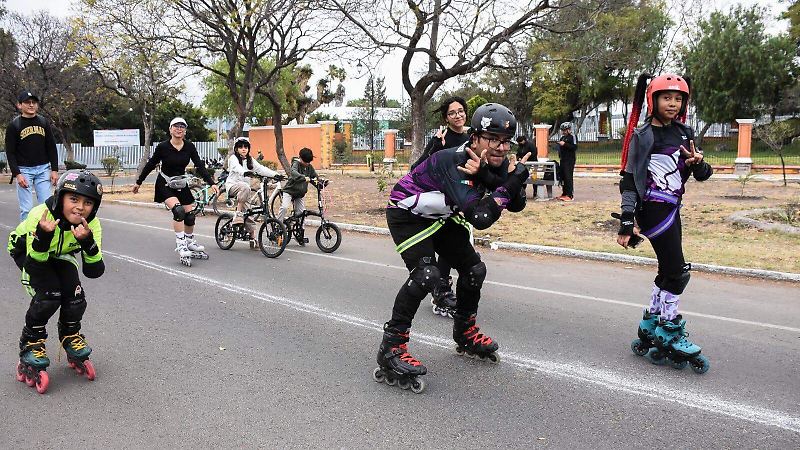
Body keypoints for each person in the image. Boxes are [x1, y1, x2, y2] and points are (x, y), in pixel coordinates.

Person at [372, 103, 530, 392]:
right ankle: (391, 348)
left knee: (474, 270)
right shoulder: (454, 161)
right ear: (475, 137)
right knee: (428, 276)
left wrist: (503, 179)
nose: (500, 147)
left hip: (442, 215)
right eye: (492, 139)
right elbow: (481, 218)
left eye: (506, 141)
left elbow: (517, 204)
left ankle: (465, 331)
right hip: (408, 215)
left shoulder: (486, 162)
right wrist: (512, 181)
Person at [617, 73, 713, 373]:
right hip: (653, 211)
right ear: (653, 100)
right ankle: (669, 329)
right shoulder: (643, 135)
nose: (672, 103)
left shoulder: (685, 133)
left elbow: (703, 175)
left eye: (678, 98)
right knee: (677, 272)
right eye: (666, 97)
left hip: (673, 208)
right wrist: (626, 219)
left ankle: (651, 322)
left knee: (668, 271)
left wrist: (698, 163)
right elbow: (629, 180)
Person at [8, 169, 105, 393]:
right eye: (73, 199)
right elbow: (36, 262)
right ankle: (31, 343)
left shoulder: (92, 224)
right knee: (49, 296)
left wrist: (88, 242)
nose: (80, 207)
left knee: (76, 297)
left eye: (88, 202)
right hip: (30, 252)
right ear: (60, 196)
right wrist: (43, 237)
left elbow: (94, 270)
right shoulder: (40, 215)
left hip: (61, 254)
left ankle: (70, 335)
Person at [410, 97, 471, 318]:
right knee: (449, 244)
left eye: (461, 111)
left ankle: (444, 288)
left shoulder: (471, 138)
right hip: (441, 199)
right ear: (446, 117)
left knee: (458, 244)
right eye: (452, 113)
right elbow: (416, 168)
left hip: (463, 199)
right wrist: (434, 148)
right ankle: (441, 290)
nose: (458, 115)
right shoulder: (441, 139)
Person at [133, 117, 218, 265]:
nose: (179, 129)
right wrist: (139, 182)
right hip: (165, 183)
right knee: (179, 211)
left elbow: (199, 166)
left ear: (185, 130)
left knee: (189, 215)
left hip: (180, 182)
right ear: (170, 129)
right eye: (176, 126)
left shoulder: (189, 147)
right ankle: (181, 244)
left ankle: (190, 241)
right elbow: (151, 164)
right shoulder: (163, 147)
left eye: (182, 127)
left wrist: (211, 183)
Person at [5, 90, 60, 221]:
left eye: (34, 102)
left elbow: (51, 147)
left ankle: (45, 236)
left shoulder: (43, 122)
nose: (31, 105)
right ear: (19, 105)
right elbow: (10, 152)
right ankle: (25, 237)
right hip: (24, 171)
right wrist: (17, 174)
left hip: (43, 169)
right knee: (27, 209)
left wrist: (54, 170)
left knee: (46, 206)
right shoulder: (14, 125)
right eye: (27, 102)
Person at [226, 137, 281, 249]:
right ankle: (238, 214)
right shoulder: (233, 158)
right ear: (236, 149)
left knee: (249, 212)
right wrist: (245, 172)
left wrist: (275, 175)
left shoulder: (250, 160)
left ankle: (252, 238)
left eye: (246, 147)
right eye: (241, 147)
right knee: (246, 187)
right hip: (232, 186)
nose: (243, 149)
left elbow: (261, 169)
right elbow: (236, 168)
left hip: (244, 191)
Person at [277, 147, 318, 225]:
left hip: (299, 194)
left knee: (302, 213)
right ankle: (278, 224)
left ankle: (300, 231)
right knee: (284, 207)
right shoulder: (296, 164)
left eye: (308, 162)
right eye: (305, 161)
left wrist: (321, 182)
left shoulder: (309, 167)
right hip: (289, 191)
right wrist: (303, 177)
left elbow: (314, 177)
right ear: (300, 158)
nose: (307, 163)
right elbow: (293, 173)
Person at [556, 122, 576, 201]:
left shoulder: (572, 137)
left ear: (569, 130)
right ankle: (564, 193)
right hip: (563, 159)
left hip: (569, 160)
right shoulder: (562, 138)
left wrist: (564, 144)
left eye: (565, 130)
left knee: (568, 177)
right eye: (562, 130)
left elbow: (574, 147)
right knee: (563, 177)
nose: (563, 132)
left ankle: (570, 195)